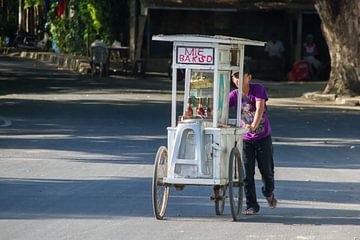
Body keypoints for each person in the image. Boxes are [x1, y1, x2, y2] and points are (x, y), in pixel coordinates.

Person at [229, 66, 277, 215]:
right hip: (245, 139)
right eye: (235, 77)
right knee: (246, 174)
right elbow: (220, 106)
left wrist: (254, 126)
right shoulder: (234, 95)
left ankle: (268, 193)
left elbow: (260, 108)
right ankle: (252, 205)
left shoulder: (258, 89)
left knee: (267, 172)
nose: (238, 79)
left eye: (241, 76)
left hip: (263, 137)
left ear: (249, 77)